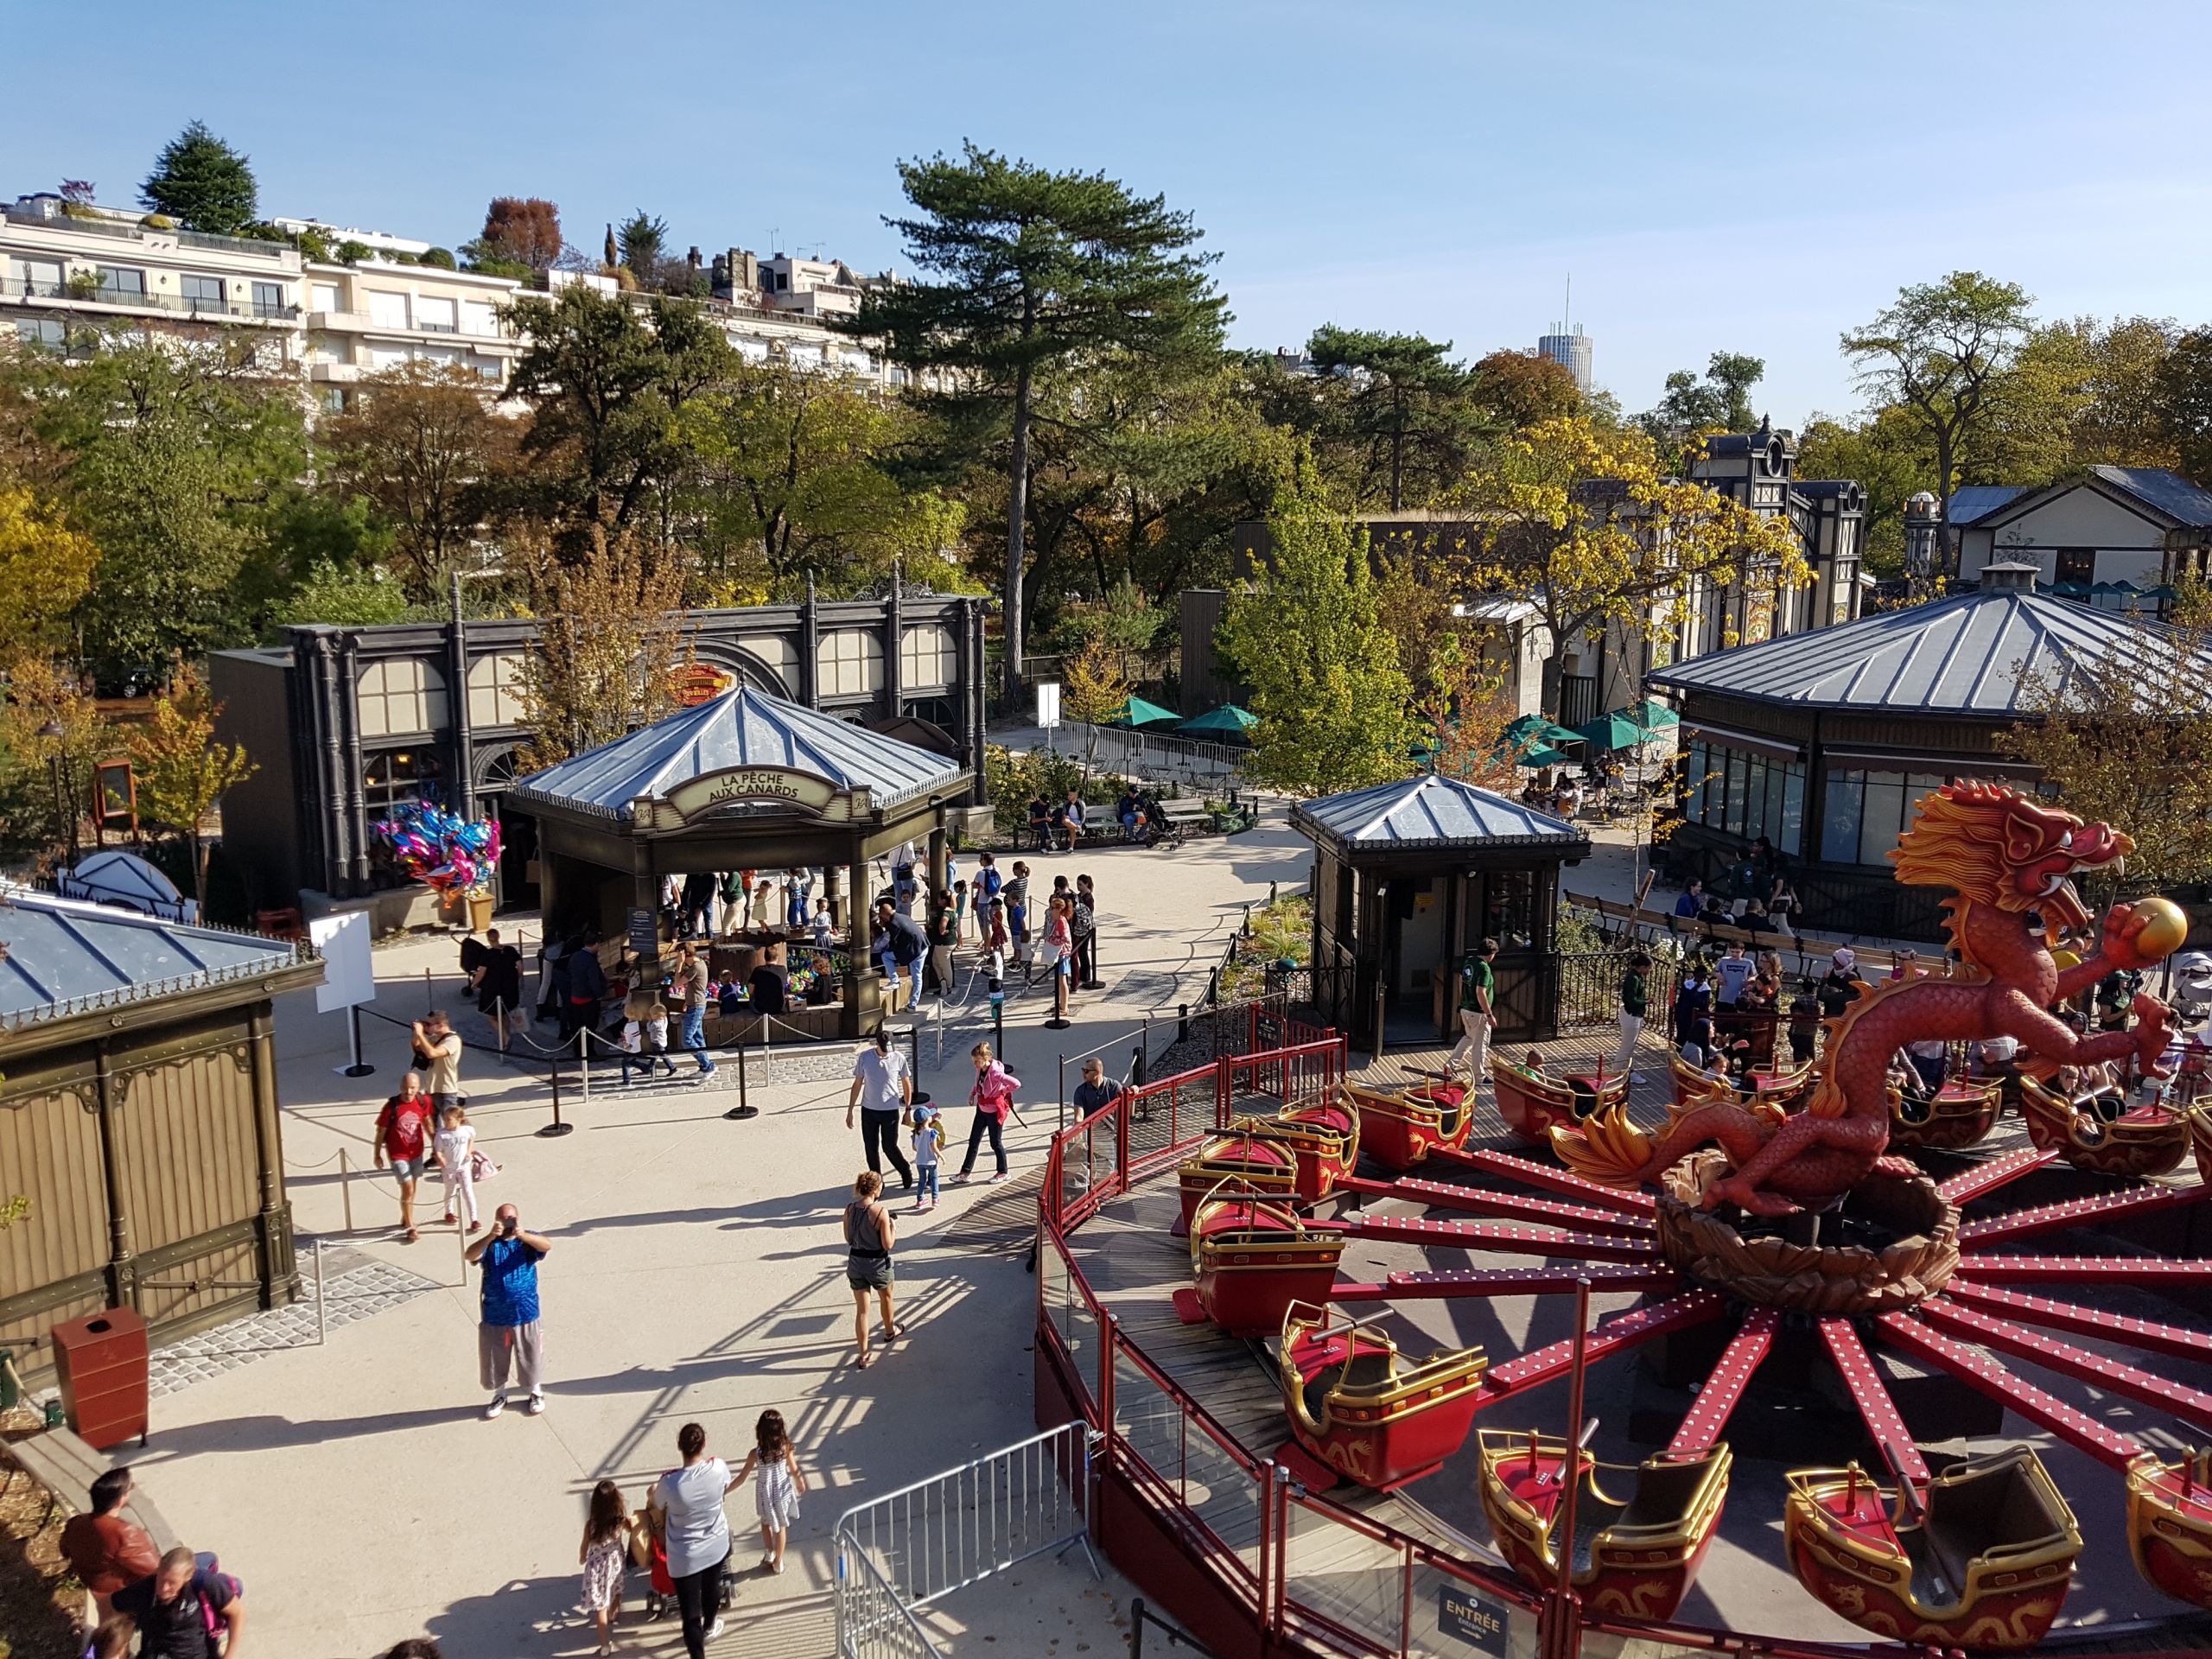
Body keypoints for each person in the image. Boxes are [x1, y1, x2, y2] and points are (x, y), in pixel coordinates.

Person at [650, 1423, 735, 1657]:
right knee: (712, 1589)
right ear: (704, 1444)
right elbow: (725, 1485)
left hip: (684, 1556)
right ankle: (710, 1625)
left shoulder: (669, 1483)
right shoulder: (718, 1468)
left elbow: (656, 1504)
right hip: (716, 1545)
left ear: (680, 1447)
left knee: (690, 1614)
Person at [467, 1202, 550, 1419]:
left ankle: (535, 1392)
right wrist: (489, 1236)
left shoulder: (526, 1241)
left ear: (517, 1219)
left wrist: (523, 1235)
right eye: (503, 1219)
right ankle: (500, 1394)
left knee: (531, 1355)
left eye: (511, 1219)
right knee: (496, 1359)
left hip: (526, 1312)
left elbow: (547, 1245)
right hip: (495, 1315)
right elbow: (469, 1255)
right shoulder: (491, 1245)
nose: (507, 1223)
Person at [60, 1466, 160, 1622]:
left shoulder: (76, 1522)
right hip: (123, 1596)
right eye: (131, 1488)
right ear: (121, 1498)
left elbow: (64, 1550)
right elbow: (157, 1571)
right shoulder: (125, 1533)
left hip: (94, 1584)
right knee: (204, 1563)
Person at [112, 1546, 243, 1659]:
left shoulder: (205, 1585)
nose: (164, 1588)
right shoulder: (145, 1590)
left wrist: (229, 1655)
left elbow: (237, 1613)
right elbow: (114, 1608)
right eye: (161, 1579)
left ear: (188, 1577)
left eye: (172, 1583)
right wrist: (123, 1651)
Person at [734, 1408, 807, 1575]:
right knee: (781, 1527)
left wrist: (726, 1489)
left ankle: (770, 1551)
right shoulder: (786, 1448)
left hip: (765, 1493)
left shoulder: (756, 1454)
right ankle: (778, 1561)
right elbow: (794, 1469)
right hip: (782, 1491)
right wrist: (799, 1481)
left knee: (766, 1522)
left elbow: (742, 1476)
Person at [844, 1169, 900, 1367]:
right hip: (877, 1264)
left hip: (856, 1263)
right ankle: (889, 1331)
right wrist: (892, 1228)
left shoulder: (850, 1209)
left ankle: (863, 1354)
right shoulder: (880, 1212)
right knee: (886, 1298)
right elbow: (887, 1244)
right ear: (877, 1189)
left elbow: (848, 1238)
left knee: (862, 1311)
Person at [372, 1071, 436, 1243]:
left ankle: (406, 1216)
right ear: (401, 1087)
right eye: (406, 1088)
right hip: (397, 1153)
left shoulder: (423, 1102)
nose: (408, 1092)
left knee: (412, 1188)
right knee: (408, 1188)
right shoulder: (392, 1106)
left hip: (416, 1152)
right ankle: (410, 1226)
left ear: (418, 1088)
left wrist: (436, 1144)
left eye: (413, 1088)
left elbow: (427, 1122)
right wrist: (377, 1153)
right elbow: (381, 1131)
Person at [848, 1028, 916, 1191]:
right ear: (877, 1044)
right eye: (884, 1049)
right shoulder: (865, 1058)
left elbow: (906, 1083)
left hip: (890, 1110)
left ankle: (904, 1170)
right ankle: (876, 1184)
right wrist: (850, 1109)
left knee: (889, 1147)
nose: (887, 1053)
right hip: (869, 1110)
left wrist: (908, 1109)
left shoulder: (898, 1058)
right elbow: (857, 1084)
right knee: (871, 1148)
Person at [953, 1039, 1025, 1185]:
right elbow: (978, 1083)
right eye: (974, 1061)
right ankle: (965, 1172)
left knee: (995, 1142)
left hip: (993, 1111)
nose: (975, 1064)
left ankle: (1003, 1171)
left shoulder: (996, 1074)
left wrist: (1002, 1091)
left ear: (986, 1059)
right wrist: (973, 1094)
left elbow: (1016, 1084)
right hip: (981, 1108)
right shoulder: (981, 1069)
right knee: (973, 1141)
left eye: (977, 1061)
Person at [579, 1478, 631, 1656]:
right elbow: (633, 1528)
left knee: (600, 1608)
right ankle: (615, 1611)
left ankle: (605, 1645)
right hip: (614, 1564)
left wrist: (582, 1557)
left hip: (596, 1569)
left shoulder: (591, 1526)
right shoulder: (620, 1521)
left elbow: (584, 1546)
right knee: (617, 1589)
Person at [1445, 939, 1498, 1083]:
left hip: (1466, 1009)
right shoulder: (1484, 968)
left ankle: (1450, 1066)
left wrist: (1464, 1000)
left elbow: (1461, 979)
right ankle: (1479, 1076)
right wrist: (1489, 1014)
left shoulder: (1469, 961)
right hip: (1478, 1013)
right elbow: (1480, 991)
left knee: (1469, 1038)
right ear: (1491, 954)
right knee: (1480, 1045)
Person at [469, 927, 525, 1044]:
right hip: (510, 986)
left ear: (488, 939)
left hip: (494, 988)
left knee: (492, 1017)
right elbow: (520, 966)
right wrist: (517, 977)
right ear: (499, 936)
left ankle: (505, 1037)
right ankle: (505, 1039)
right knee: (506, 1012)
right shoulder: (510, 950)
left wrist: (474, 983)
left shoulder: (487, 954)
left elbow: (481, 972)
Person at [873, 899, 929, 1012]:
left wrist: (884, 950)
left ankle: (895, 982)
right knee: (917, 976)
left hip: (916, 951)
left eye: (882, 917)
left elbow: (893, 943)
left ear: (885, 916)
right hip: (923, 945)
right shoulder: (901, 916)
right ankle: (912, 1004)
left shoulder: (893, 924)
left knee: (886, 956)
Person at [435, 1102, 480, 1232]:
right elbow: (437, 1150)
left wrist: (469, 1152)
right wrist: (440, 1158)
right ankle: (449, 1212)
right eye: (445, 1119)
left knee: (468, 1192)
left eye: (449, 1120)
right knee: (450, 1190)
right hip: (449, 1168)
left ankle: (474, 1220)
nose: (446, 1122)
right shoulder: (441, 1134)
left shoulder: (467, 1130)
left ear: (458, 1120)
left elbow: (472, 1139)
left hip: (464, 1167)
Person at [620, 982, 676, 1086]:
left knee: (659, 1056)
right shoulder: (664, 1020)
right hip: (660, 1041)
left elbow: (648, 1029)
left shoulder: (655, 1024)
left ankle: (669, 1067)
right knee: (655, 1056)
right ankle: (648, 1067)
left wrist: (650, 1022)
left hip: (656, 1042)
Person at [411, 1010, 463, 1117]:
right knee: (434, 1128)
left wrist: (421, 1034)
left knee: (450, 1126)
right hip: (431, 1089)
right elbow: (417, 1047)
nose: (428, 1026)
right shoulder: (434, 1038)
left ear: (440, 1025)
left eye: (429, 1024)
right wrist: (417, 1034)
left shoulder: (453, 1040)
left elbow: (432, 1053)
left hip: (446, 1091)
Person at [1614, 951, 1649, 1079]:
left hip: (1636, 1014)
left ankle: (1629, 1069)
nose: (1649, 971)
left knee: (1631, 1045)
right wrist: (1646, 1001)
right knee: (1627, 1046)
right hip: (1631, 1015)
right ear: (1642, 967)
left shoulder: (1637, 977)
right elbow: (1631, 1000)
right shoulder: (1632, 979)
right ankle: (1617, 1071)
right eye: (1648, 968)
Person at [1043, 893, 1076, 1022]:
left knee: (1062, 981)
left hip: (1062, 953)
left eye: (1052, 908)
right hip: (1060, 953)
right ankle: (1061, 1004)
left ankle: (1064, 1007)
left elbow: (1065, 939)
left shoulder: (1061, 921)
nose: (1051, 911)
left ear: (1059, 909)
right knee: (1060, 980)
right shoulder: (1058, 921)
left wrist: (1052, 940)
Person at [908, 1099, 944, 1213]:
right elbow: (934, 1147)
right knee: (934, 1179)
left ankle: (920, 1200)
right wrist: (941, 1156)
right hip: (931, 1161)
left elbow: (915, 1148)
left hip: (920, 1161)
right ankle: (935, 1198)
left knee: (921, 1181)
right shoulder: (932, 1132)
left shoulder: (915, 1132)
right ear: (927, 1119)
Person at [925, 888, 958, 999]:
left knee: (945, 964)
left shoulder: (946, 912)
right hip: (948, 941)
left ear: (943, 900)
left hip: (944, 943)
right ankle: (943, 981)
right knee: (935, 961)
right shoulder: (952, 909)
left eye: (939, 898)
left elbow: (943, 923)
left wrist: (941, 930)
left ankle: (947, 986)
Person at [1072, 1055, 1122, 1121]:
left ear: (1097, 1072)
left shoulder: (1114, 1086)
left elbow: (1125, 1108)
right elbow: (1079, 1118)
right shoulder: (1080, 1091)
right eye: (1083, 1070)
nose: (1083, 1074)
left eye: (1086, 1071)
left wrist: (1134, 1089)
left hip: (1111, 1127)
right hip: (1089, 1128)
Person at [1818, 949, 1861, 1021]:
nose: (1833, 965)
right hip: (1831, 1008)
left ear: (1842, 963)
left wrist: (1836, 993)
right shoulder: (1833, 973)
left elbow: (1821, 996)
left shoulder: (1853, 975)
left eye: (1835, 964)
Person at [748, 940, 789, 1017]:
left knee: (751, 998)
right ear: (777, 957)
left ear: (765, 957)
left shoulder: (758, 970)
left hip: (761, 1008)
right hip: (779, 1007)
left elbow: (750, 991)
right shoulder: (783, 969)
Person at [1004, 861, 1032, 971]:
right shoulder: (1025, 880)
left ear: (1018, 870)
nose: (1012, 871)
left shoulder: (1015, 882)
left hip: (1014, 911)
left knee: (1016, 936)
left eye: (1014, 869)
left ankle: (1018, 959)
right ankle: (1017, 957)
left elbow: (1003, 889)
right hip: (1023, 906)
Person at [1072, 874, 1097, 987]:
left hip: (1086, 928)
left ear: (1087, 884)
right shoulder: (1079, 896)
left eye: (1080, 884)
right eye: (1077, 884)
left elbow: (1089, 913)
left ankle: (1086, 975)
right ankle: (1082, 974)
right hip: (1078, 927)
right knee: (1080, 951)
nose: (1078, 886)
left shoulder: (1088, 898)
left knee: (1083, 951)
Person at [1714, 940, 1753, 1009]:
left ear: (1743, 951)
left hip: (1740, 999)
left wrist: (1750, 980)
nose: (1734, 954)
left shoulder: (1748, 963)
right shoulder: (1724, 961)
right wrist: (1718, 976)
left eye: (1737, 952)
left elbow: (1755, 975)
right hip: (1724, 997)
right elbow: (1714, 971)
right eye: (1732, 952)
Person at [1062, 786, 1086, 852]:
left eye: (1070, 795)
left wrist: (1080, 824)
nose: (1068, 796)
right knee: (1066, 821)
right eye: (1068, 795)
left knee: (1071, 828)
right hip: (1069, 821)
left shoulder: (1081, 803)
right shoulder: (1066, 803)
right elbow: (1063, 813)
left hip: (1077, 821)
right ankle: (1078, 829)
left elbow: (1083, 816)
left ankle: (1071, 848)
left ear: (1075, 795)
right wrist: (1065, 816)